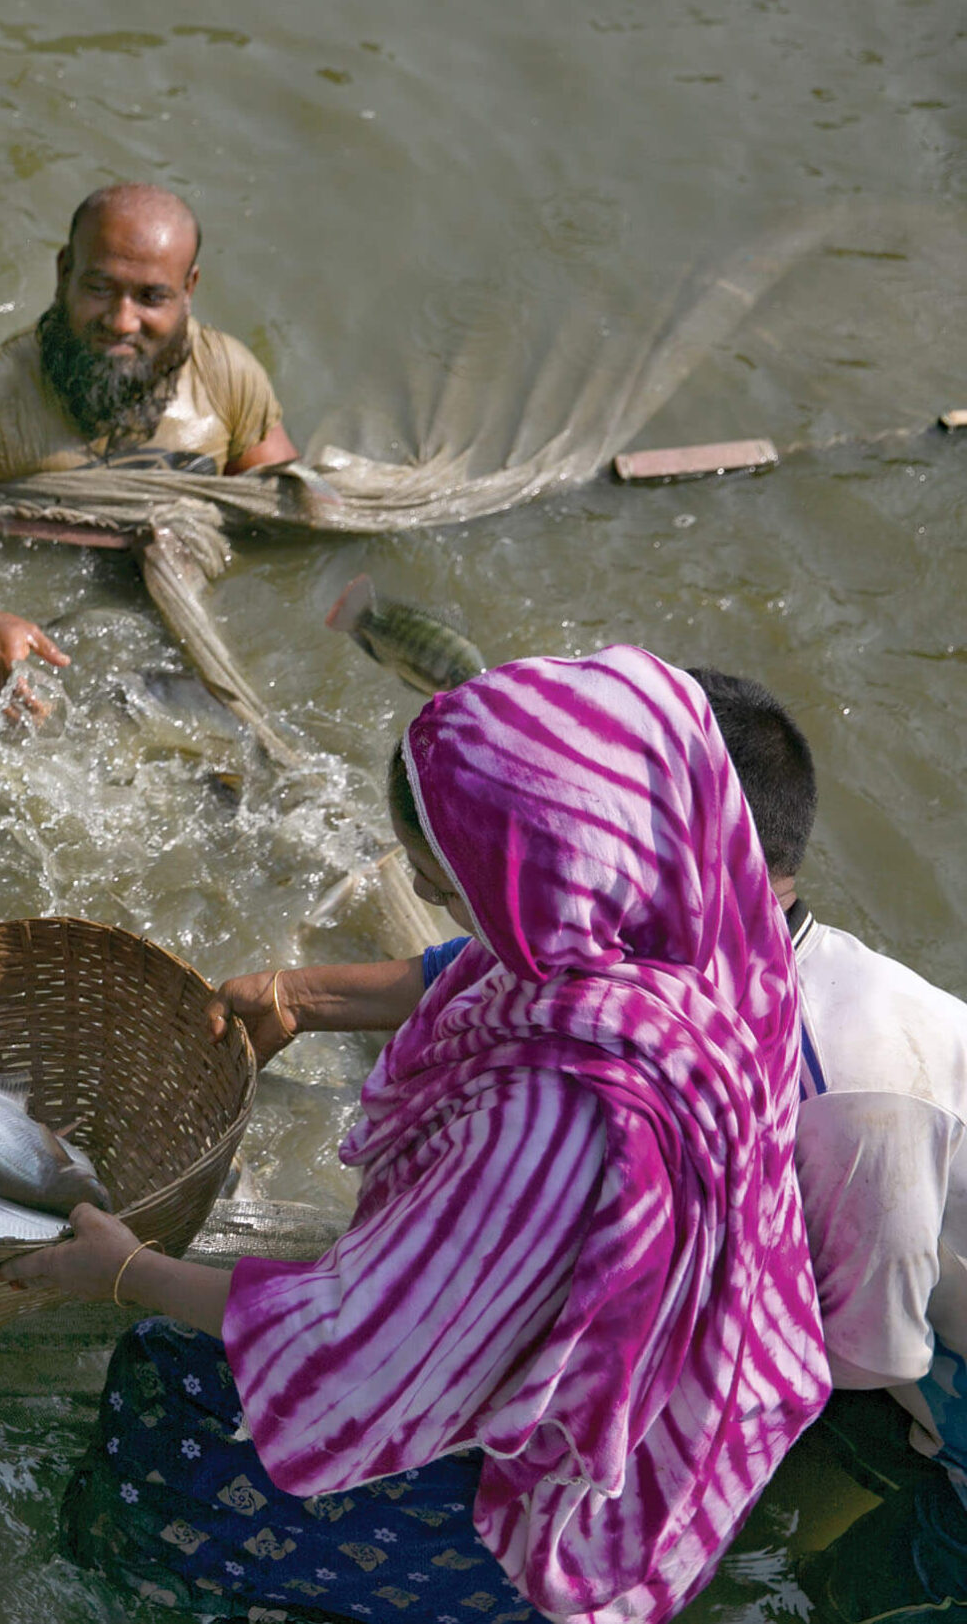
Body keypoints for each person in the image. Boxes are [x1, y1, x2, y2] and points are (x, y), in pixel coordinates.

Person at [0, 648, 828, 1624]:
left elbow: (358, 1348)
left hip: (534, 1484)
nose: (445, 906)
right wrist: (297, 996)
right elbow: (481, 966)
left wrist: (124, 1268)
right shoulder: (712, 939)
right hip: (686, 1393)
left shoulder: (552, 1123)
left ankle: (140, 1583)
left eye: (446, 882)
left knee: (163, 1386)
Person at [216, 669, 967, 1624]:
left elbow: (869, 1355)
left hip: (941, 1382)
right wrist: (297, 995)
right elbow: (510, 962)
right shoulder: (702, 933)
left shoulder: (860, 1093)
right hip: (888, 1292)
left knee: (855, 1594)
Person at [0, 183, 299, 700]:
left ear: (190, 288)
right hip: (45, 647)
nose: (121, 321)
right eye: (99, 288)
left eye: (151, 297)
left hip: (172, 647)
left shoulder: (227, 378)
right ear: (64, 271)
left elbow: (286, 521)